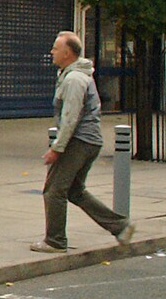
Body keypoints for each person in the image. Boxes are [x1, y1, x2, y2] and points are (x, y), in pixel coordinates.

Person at [34, 30, 133, 253]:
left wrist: (57, 148)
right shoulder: (75, 76)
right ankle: (120, 226)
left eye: (56, 48)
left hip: (79, 141)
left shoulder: (74, 80)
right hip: (89, 140)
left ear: (67, 53)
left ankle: (55, 240)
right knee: (75, 191)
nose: (52, 52)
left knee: (54, 190)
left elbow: (71, 117)